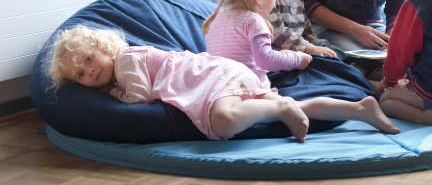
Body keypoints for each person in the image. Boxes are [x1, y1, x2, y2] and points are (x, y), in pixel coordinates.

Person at [48, 25, 398, 143]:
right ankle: (360, 109)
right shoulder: (125, 61)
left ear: (104, 48)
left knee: (224, 122)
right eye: (79, 74)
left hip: (207, 78)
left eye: (89, 59)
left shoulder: (126, 62)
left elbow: (138, 97)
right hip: (221, 75)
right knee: (260, 108)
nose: (88, 72)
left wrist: (117, 95)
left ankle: (280, 105)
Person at [202, 0, 401, 136]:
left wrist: (296, 56)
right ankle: (359, 109)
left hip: (234, 84)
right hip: (241, 84)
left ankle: (361, 109)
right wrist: (297, 59)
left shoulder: (218, 17)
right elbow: (266, 59)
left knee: (292, 106)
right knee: (298, 106)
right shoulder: (253, 20)